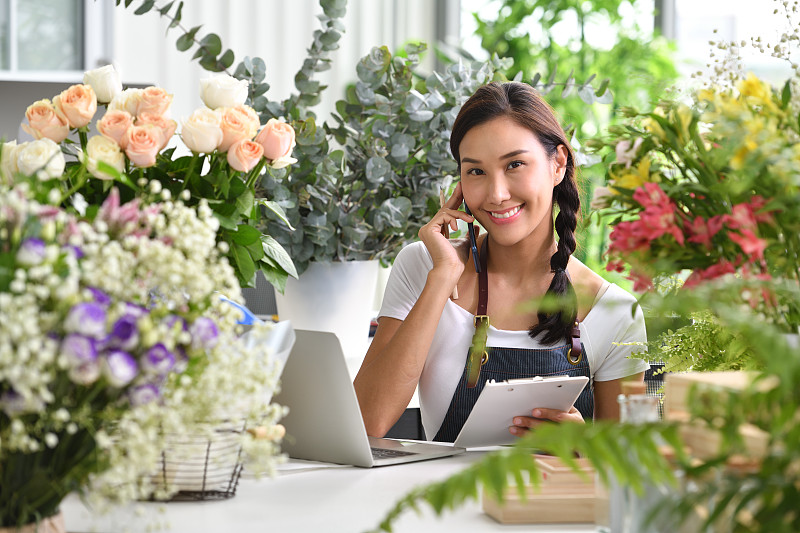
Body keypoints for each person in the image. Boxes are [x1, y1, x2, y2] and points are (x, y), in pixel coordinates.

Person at [353, 81, 648, 442]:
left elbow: (631, 474)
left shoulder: (615, 312)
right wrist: (443, 277)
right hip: (437, 498)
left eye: (515, 165)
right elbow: (366, 424)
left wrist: (585, 449)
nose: (496, 194)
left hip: (556, 499)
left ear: (557, 164)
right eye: (476, 171)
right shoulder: (423, 266)